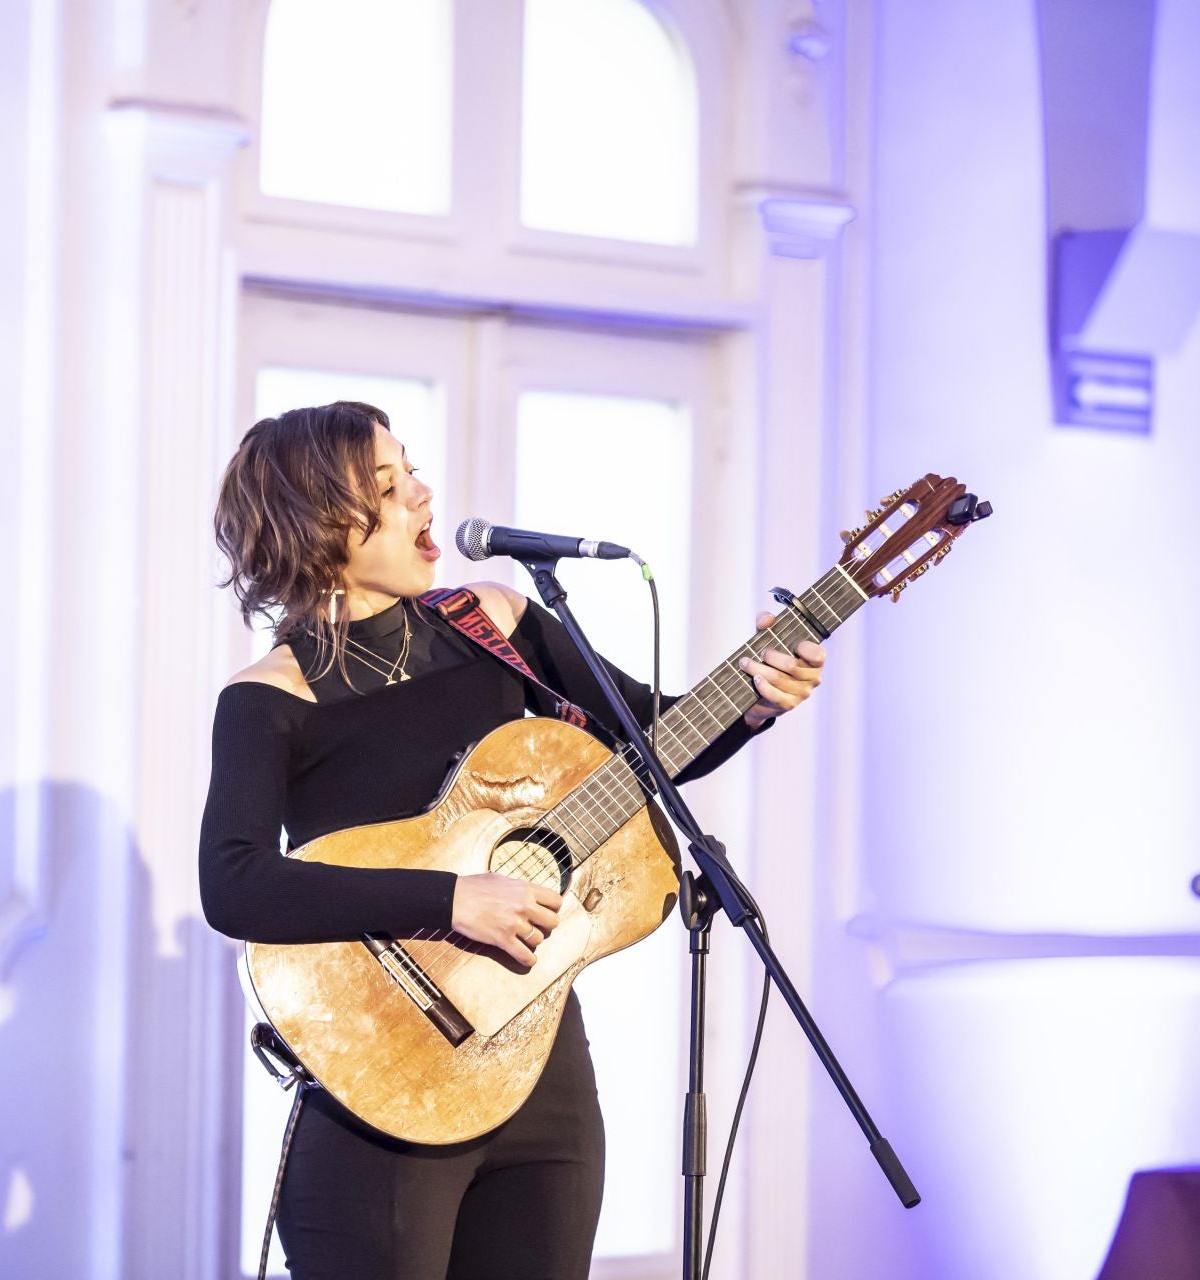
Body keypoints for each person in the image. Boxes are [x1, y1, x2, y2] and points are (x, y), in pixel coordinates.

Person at [198, 401, 825, 1279]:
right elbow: (235, 885)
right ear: (320, 522)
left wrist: (756, 698)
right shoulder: (270, 696)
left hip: (543, 1079)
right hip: (386, 1092)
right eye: (388, 485)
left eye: (410, 469)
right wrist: (449, 899)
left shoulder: (492, 620)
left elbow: (654, 737)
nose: (422, 494)